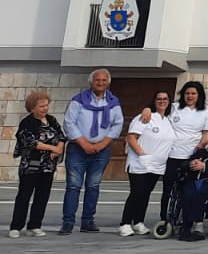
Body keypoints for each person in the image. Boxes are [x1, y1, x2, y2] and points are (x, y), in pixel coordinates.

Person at [60, 68, 123, 234]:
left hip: (101, 150)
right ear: (91, 82)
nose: (100, 83)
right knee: (73, 186)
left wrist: (102, 144)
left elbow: (117, 124)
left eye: (103, 80)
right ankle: (68, 222)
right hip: (77, 149)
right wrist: (83, 143)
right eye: (97, 80)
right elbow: (69, 122)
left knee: (93, 186)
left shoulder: (114, 102)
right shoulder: (78, 100)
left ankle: (88, 221)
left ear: (108, 83)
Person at [10, 90, 65, 237]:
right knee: (24, 196)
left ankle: (35, 225)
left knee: (42, 196)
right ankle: (16, 227)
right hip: (30, 166)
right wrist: (52, 148)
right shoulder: (26, 123)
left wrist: (59, 148)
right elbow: (31, 142)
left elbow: (61, 136)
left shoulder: (52, 120)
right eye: (41, 106)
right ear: (32, 108)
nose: (45, 108)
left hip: (48, 166)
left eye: (46, 105)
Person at [120, 90, 175, 236]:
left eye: (165, 99)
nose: (162, 101)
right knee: (136, 193)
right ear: (154, 101)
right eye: (159, 99)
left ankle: (138, 222)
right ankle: (125, 223)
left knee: (145, 194)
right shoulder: (145, 117)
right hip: (140, 163)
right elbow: (131, 137)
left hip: (157, 166)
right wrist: (141, 154)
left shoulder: (168, 121)